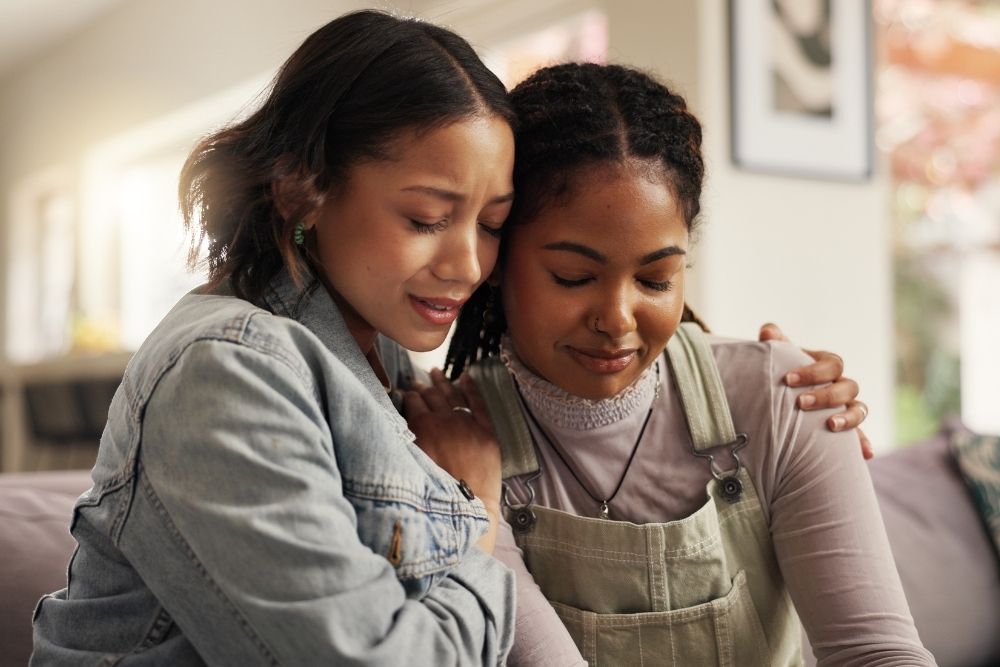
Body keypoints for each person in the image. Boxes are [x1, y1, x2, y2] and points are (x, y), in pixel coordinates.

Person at [31, 10, 519, 665]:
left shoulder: (379, 350)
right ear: (302, 191)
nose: (467, 265)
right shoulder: (225, 373)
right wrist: (479, 508)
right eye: (426, 217)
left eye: (491, 224)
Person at [411, 63, 934, 665]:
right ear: (497, 255)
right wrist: (471, 509)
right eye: (573, 277)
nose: (618, 318)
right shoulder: (456, 438)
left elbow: (878, 651)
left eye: (656, 279)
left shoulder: (782, 395)